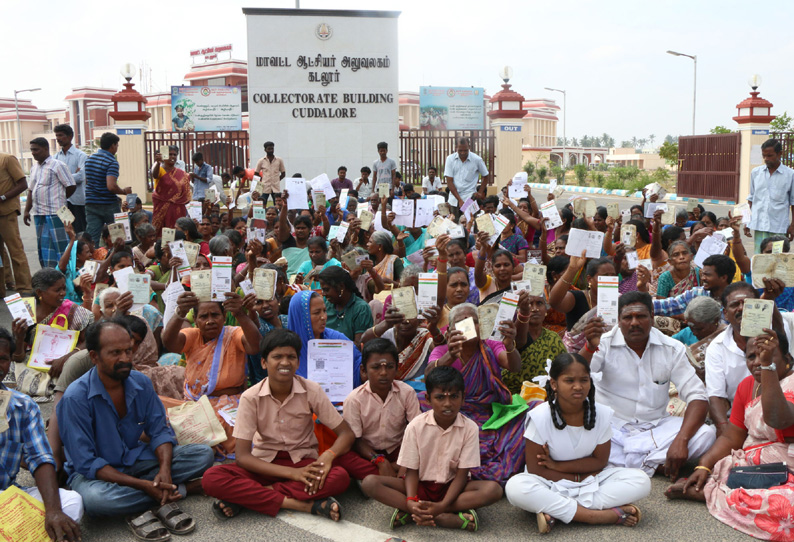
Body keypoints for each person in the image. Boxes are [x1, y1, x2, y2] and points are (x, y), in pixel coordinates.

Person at [57, 320, 214, 533]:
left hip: (138, 459)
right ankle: (180, 490)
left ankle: (158, 488)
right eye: (115, 353)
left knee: (203, 454)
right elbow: (86, 462)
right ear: (94, 356)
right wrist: (143, 485)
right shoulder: (76, 398)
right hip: (96, 475)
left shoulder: (141, 383)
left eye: (128, 351)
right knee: (96, 500)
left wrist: (165, 470)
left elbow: (159, 431)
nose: (125, 359)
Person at [201, 328, 354, 522]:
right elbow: (243, 457)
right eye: (277, 356)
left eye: (291, 357)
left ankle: (248, 498)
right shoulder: (251, 397)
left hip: (303, 461)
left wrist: (328, 455)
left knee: (339, 477)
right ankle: (302, 505)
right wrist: (293, 474)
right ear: (264, 363)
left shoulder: (311, 389)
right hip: (264, 464)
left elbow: (346, 434)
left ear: (298, 362)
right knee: (212, 478)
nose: (285, 362)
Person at [666, 329, 794, 541]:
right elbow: (732, 436)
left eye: (766, 355)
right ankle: (715, 490)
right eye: (751, 357)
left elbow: (778, 419)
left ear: (788, 359)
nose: (757, 361)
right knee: (726, 470)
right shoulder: (747, 387)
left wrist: (767, 367)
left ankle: (713, 493)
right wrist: (703, 465)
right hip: (757, 468)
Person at [505, 353, 650, 534]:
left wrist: (559, 466)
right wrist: (574, 478)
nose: (578, 386)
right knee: (516, 488)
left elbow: (600, 462)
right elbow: (536, 470)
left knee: (641, 480)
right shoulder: (540, 416)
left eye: (584, 380)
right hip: (549, 482)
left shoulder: (602, 414)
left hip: (589, 479)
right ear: (554, 384)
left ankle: (556, 511)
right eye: (569, 380)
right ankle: (598, 516)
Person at [580, 291, 716, 478]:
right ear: (619, 320)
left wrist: (681, 440)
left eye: (641, 316)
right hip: (611, 428)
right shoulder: (602, 343)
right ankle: (653, 464)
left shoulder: (671, 348)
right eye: (628, 317)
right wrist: (588, 347)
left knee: (706, 434)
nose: (634, 322)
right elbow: (577, 377)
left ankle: (622, 461)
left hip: (655, 427)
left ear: (652, 317)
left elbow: (697, 396)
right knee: (581, 429)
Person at [362, 366, 503, 531]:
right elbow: (411, 471)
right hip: (421, 486)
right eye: (440, 397)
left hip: (452, 488)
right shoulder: (416, 426)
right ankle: (434, 515)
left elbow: (462, 475)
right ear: (428, 399)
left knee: (493, 490)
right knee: (369, 483)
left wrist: (442, 505)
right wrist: (410, 500)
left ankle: (424, 514)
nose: (447, 403)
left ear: (463, 398)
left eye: (454, 397)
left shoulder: (470, 428)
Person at [424, 303, 525, 484]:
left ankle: (499, 459)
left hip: (489, 412)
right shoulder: (443, 351)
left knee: (532, 410)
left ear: (482, 326)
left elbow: (514, 366)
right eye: (461, 322)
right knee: (420, 403)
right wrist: (451, 356)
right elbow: (429, 376)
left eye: (473, 321)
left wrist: (509, 345)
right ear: (450, 330)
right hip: (455, 414)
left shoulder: (490, 345)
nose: (468, 325)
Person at [0, 327, 84, 541]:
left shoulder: (22, 406)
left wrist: (53, 510)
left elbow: (40, 457)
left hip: (5, 496)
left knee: (71, 502)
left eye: (2, 359)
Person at [160, 290, 262, 457]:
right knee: (156, 409)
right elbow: (170, 343)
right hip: (194, 404)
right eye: (203, 316)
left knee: (226, 426)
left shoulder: (233, 333)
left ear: (223, 316)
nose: (210, 321)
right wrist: (179, 313)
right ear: (196, 320)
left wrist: (240, 314)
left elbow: (255, 346)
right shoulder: (193, 335)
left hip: (227, 405)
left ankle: (205, 449)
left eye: (215, 315)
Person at [335, 338, 421, 481]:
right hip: (368, 453)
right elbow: (356, 440)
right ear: (363, 370)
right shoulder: (354, 399)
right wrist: (379, 460)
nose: (383, 373)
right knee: (342, 458)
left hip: (398, 450)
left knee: (428, 451)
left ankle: (383, 475)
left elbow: (416, 431)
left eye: (389, 366)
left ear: (397, 368)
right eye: (376, 367)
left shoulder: (407, 392)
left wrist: (407, 459)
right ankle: (394, 473)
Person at [705, 282, 783, 436]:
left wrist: (770, 301)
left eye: (748, 304)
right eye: (735, 305)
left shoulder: (778, 334)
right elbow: (716, 396)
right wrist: (724, 429)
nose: (741, 308)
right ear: (725, 314)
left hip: (782, 413)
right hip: (739, 422)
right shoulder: (716, 348)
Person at [286, 291, 362, 387]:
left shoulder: (337, 340)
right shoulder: (286, 349)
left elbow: (358, 365)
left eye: (324, 311)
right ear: (301, 317)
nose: (323, 317)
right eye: (317, 312)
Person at [23, 137, 76, 269]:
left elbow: (71, 186)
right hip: (39, 213)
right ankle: (49, 275)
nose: (33, 153)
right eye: (32, 150)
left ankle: (66, 275)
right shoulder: (34, 168)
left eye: (36, 149)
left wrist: (60, 200)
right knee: (45, 248)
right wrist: (26, 211)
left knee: (61, 247)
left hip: (56, 213)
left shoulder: (57, 165)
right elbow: (31, 190)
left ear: (46, 149)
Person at [501, 292, 567, 395]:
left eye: (539, 303)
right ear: (520, 310)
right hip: (514, 397)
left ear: (546, 309)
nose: (534, 308)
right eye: (530, 304)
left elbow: (565, 368)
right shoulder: (510, 336)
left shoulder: (554, 338)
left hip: (546, 397)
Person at [746, 138, 794, 253]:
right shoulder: (756, 173)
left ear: (779, 154)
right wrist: (747, 221)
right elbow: (751, 199)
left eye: (770, 155)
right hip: (759, 225)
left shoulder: (790, 175)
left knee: (777, 260)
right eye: (764, 156)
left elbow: (793, 202)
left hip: (779, 226)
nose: (766, 159)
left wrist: (793, 225)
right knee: (759, 259)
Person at [650, 254, 736, 317]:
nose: (703, 278)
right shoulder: (696, 293)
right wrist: (643, 303)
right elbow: (669, 305)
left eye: (708, 275)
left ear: (723, 277)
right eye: (703, 274)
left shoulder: (738, 300)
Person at [84, 132, 130, 247]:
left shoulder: (89, 160)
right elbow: (111, 186)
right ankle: (118, 260)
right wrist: (123, 191)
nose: (117, 148)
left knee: (92, 237)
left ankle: (91, 260)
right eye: (117, 145)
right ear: (113, 145)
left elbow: (87, 181)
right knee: (117, 235)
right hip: (108, 204)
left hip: (91, 203)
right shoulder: (112, 162)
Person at [0, 152, 33, 295]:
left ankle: (25, 287)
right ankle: (6, 283)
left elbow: (23, 184)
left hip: (7, 211)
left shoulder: (7, 159)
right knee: (1, 253)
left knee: (15, 250)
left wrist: (2, 197)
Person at [318, 265, 373, 343]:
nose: (323, 294)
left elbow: (359, 345)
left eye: (326, 290)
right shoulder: (327, 306)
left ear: (341, 287)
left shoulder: (361, 309)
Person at [54, 124, 87, 234]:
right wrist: (72, 176)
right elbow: (53, 178)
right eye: (56, 136)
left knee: (80, 231)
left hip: (77, 200)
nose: (58, 138)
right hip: (62, 201)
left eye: (61, 135)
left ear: (70, 137)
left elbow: (81, 177)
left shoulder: (80, 155)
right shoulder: (56, 157)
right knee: (67, 231)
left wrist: (62, 178)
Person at [151, 146, 191, 235]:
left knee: (177, 233)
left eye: (174, 155)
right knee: (161, 234)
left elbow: (185, 192)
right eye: (170, 154)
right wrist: (158, 162)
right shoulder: (159, 169)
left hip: (178, 209)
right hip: (161, 209)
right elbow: (155, 175)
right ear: (164, 155)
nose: (172, 157)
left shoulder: (181, 173)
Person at [443, 137, 490, 208]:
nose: (463, 153)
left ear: (469, 147)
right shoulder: (450, 159)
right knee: (454, 219)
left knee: (470, 219)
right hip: (454, 200)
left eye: (465, 150)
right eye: (460, 150)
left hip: (470, 199)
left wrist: (480, 192)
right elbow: (449, 182)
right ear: (456, 147)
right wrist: (460, 200)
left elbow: (485, 176)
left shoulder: (477, 159)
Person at [254, 141, 286, 207]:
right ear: (265, 150)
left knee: (277, 203)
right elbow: (256, 173)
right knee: (262, 203)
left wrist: (277, 180)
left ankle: (277, 216)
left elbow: (283, 173)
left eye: (272, 148)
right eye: (269, 149)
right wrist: (262, 180)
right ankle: (263, 216)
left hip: (275, 187)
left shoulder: (279, 160)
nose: (271, 150)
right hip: (264, 186)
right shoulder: (261, 161)